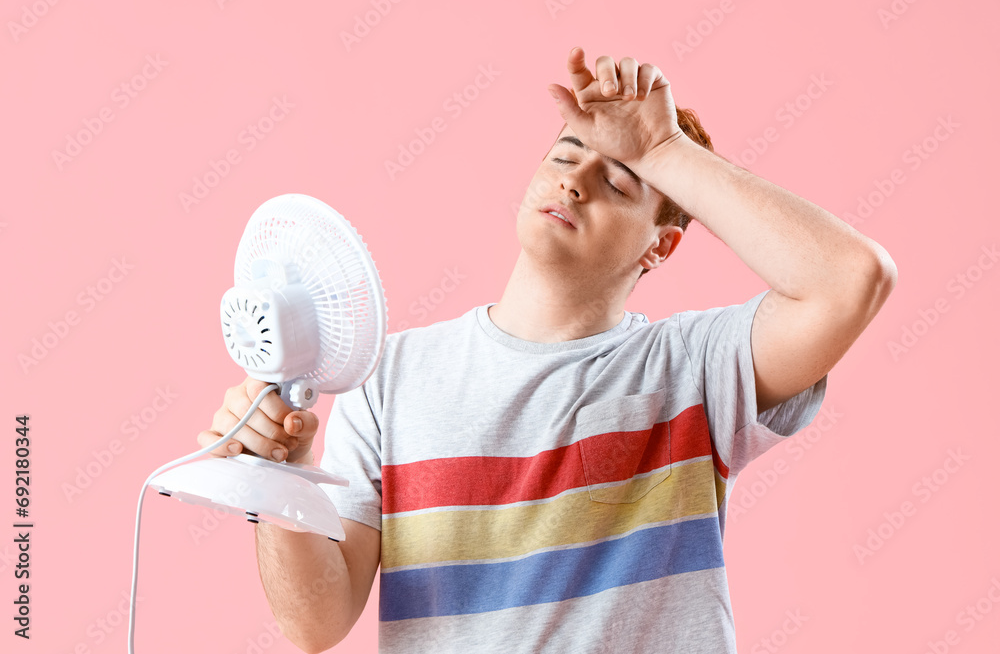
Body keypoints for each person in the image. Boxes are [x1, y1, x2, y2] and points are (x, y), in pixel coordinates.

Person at [197, 46, 897, 653]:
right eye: (565, 154)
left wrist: (662, 150)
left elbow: (849, 280)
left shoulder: (694, 370)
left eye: (617, 180)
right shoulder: (388, 378)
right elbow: (316, 621)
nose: (575, 179)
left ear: (662, 244)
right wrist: (278, 481)